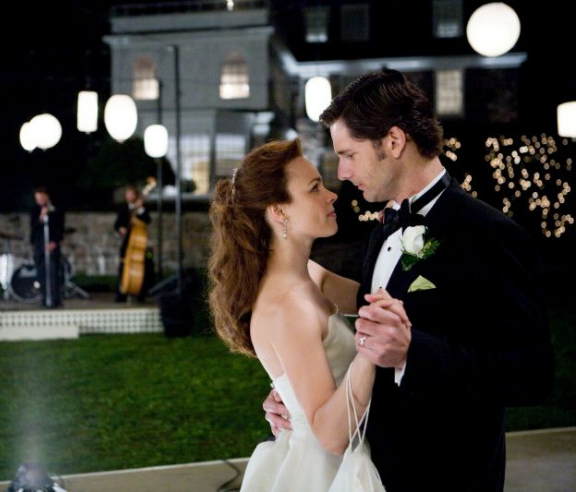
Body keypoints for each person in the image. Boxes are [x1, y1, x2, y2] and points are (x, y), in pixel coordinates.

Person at [263, 69, 555, 491]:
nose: (342, 172)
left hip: (448, 478)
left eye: (349, 154)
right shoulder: (383, 228)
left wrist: (412, 353)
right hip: (370, 473)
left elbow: (533, 374)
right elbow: (371, 338)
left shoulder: (490, 235)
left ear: (394, 142)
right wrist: (300, 401)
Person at [208, 138, 404, 490]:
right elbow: (330, 437)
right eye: (314, 188)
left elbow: (380, 300)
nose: (331, 196)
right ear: (278, 211)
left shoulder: (310, 275)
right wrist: (368, 349)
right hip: (324, 472)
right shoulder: (286, 306)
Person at [114, 184, 152, 303]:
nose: (129, 196)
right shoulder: (123, 208)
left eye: (131, 194)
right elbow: (117, 224)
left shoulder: (142, 208)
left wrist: (140, 209)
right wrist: (120, 228)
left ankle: (140, 292)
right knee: (123, 267)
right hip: (127, 242)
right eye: (127, 194)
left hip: (137, 244)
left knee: (144, 267)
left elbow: (147, 220)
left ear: (136, 195)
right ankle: (122, 292)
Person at [30, 186, 64, 308]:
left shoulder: (56, 209)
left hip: (52, 244)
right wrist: (41, 216)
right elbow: (34, 228)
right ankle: (45, 299)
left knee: (54, 272)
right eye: (37, 199)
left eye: (40, 198)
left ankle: (55, 299)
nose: (39, 201)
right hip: (40, 245)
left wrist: (54, 242)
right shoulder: (35, 210)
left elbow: (60, 227)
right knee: (41, 272)